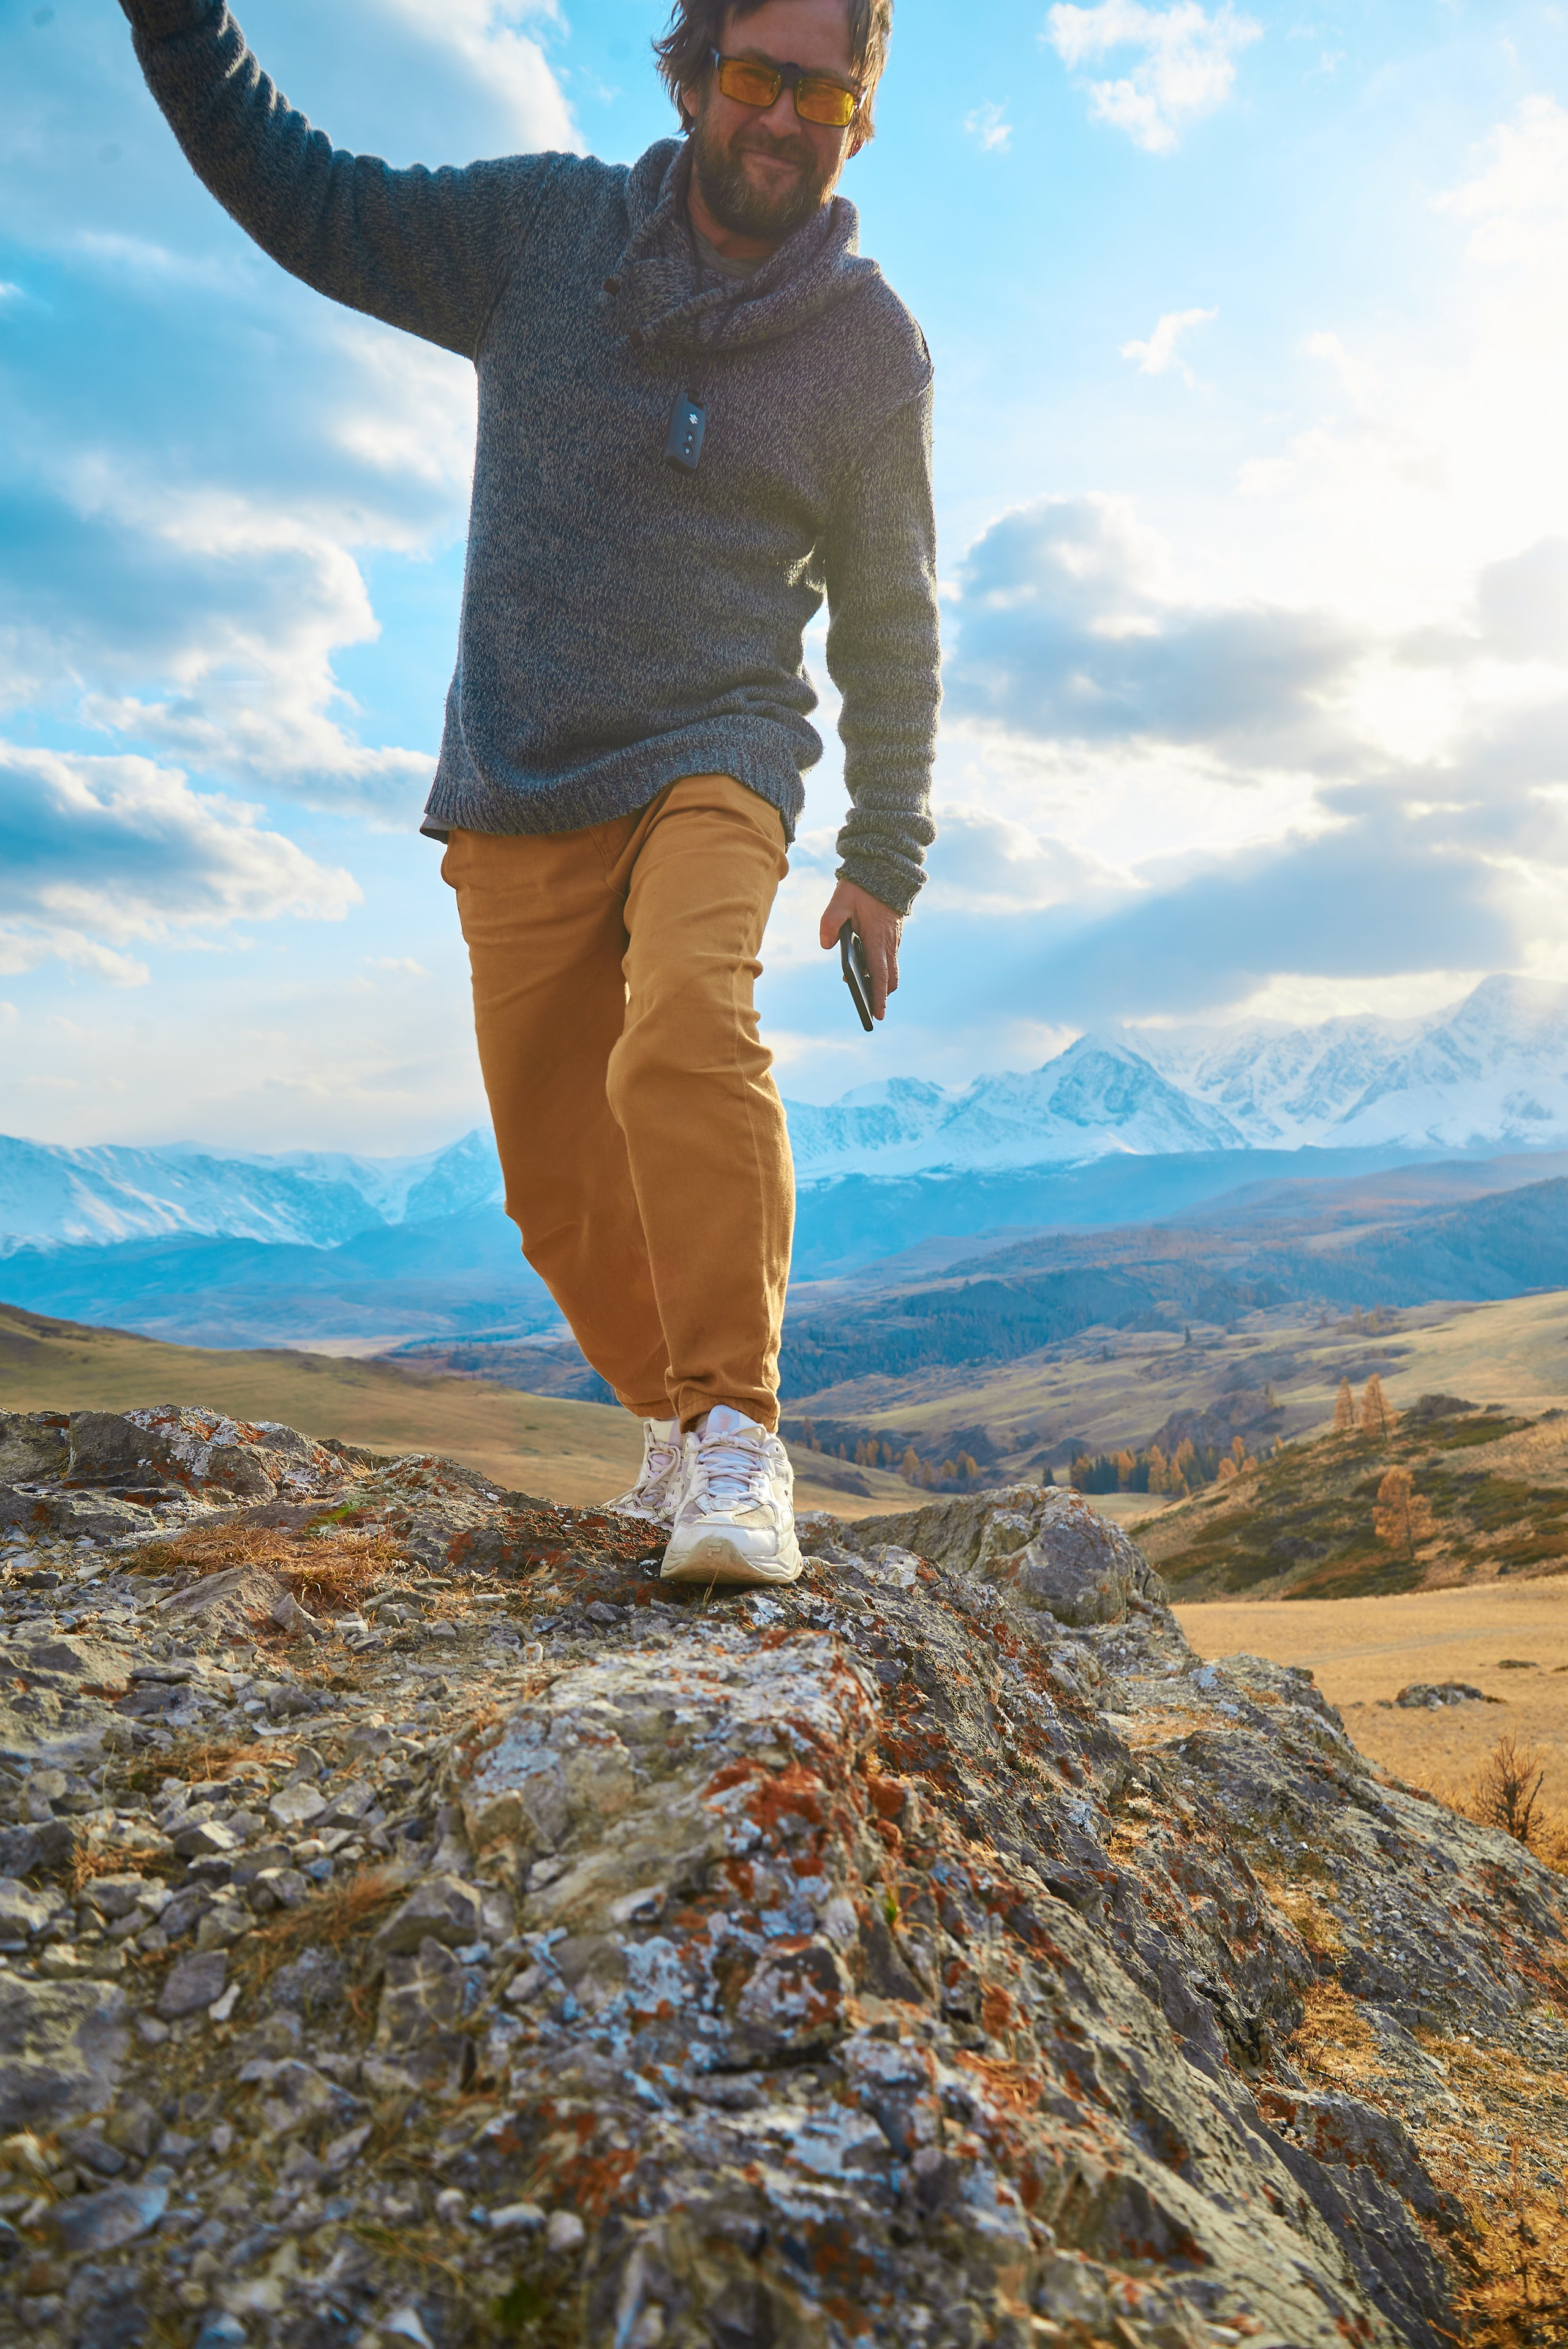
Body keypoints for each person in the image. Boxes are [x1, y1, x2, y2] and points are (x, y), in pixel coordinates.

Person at [119, 0, 941, 1588]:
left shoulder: (867, 348)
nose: (785, 118)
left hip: (722, 747)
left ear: (858, 121)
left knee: (689, 1027)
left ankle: (735, 1436)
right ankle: (668, 1417)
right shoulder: (544, 232)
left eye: (823, 98)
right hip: (522, 773)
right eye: (760, 78)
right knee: (556, 1191)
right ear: (698, 76)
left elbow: (892, 618)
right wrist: (179, 26)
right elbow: (312, 194)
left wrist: (884, 855)